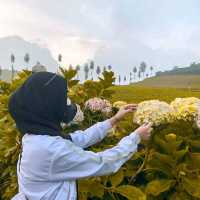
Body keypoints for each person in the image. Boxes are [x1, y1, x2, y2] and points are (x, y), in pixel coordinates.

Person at [9, 72, 152, 200]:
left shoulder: (34, 136)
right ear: (47, 108)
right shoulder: (51, 149)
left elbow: (79, 138)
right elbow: (103, 162)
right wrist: (135, 137)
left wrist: (113, 120)